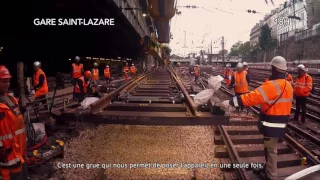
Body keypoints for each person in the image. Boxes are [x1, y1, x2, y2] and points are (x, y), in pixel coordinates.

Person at [221, 56, 293, 180]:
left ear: (274, 68)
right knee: (269, 147)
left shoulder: (273, 85)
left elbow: (252, 97)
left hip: (271, 123)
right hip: (281, 123)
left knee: (271, 150)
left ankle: (271, 176)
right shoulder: (288, 84)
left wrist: (232, 102)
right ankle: (268, 168)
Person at [0, 65, 28, 180]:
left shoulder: (11, 99)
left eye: (8, 81)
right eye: (3, 82)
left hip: (20, 150)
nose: (7, 84)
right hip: (8, 154)